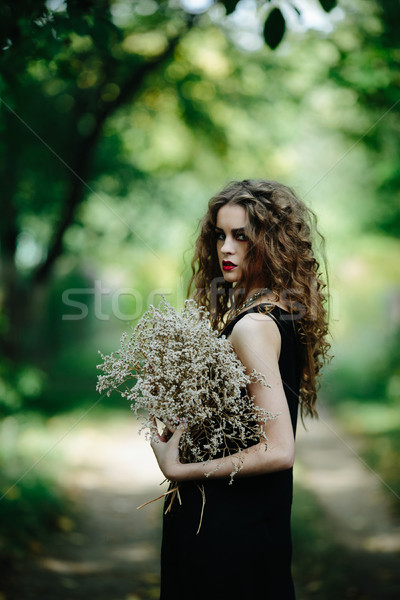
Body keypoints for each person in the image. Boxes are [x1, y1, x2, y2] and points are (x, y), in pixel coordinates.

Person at [150, 179, 330, 600]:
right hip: (252, 524)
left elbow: (278, 449)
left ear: (270, 242)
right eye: (220, 235)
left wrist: (177, 469)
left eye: (241, 236)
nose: (225, 248)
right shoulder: (279, 311)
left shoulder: (252, 326)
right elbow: (245, 423)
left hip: (225, 531)